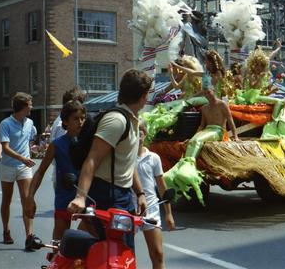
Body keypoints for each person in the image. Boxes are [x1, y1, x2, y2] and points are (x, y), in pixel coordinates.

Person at [68, 69, 152, 244]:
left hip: (123, 194)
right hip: (107, 193)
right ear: (144, 96)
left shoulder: (132, 119)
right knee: (111, 251)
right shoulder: (117, 120)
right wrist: (81, 196)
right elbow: (92, 159)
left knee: (121, 251)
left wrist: (140, 193)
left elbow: (128, 161)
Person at [25, 100, 85, 241]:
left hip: (86, 196)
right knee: (59, 242)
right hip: (64, 196)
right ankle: (55, 260)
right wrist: (30, 198)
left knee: (87, 238)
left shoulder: (91, 142)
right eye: (75, 119)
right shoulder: (56, 145)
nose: (80, 122)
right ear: (65, 121)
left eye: (83, 118)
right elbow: (40, 172)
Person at [0, 92, 37, 248]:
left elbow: (28, 141)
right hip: (8, 166)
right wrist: (22, 158)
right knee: (6, 200)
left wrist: (30, 152)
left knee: (27, 200)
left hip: (23, 167)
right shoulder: (5, 124)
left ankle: (29, 236)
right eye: (30, 104)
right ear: (23, 106)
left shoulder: (30, 123)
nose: (32, 106)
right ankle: (6, 230)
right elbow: (5, 148)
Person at [134, 121, 175, 269]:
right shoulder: (124, 158)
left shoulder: (153, 158)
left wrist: (168, 214)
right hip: (129, 211)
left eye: (139, 133)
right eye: (133, 133)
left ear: (144, 134)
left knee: (158, 254)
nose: (137, 137)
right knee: (125, 253)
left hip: (151, 210)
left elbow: (162, 186)